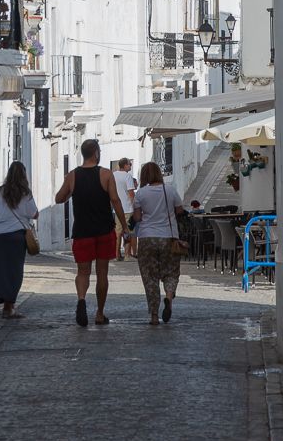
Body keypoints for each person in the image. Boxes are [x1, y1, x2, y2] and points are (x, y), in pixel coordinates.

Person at [55, 139, 130, 326]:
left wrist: (71, 191)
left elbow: (59, 198)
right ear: (96, 153)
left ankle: (81, 300)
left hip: (82, 231)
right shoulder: (105, 174)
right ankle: (99, 313)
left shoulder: (72, 176)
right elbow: (115, 200)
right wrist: (124, 226)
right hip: (104, 230)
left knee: (83, 272)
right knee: (102, 273)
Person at [131, 161, 185, 325]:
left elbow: (137, 217)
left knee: (150, 277)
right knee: (171, 272)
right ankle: (168, 297)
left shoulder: (141, 193)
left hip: (147, 238)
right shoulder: (170, 190)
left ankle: (154, 316)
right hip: (168, 237)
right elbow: (180, 210)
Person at [0, 162, 39, 319]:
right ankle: (9, 307)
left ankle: (6, 306)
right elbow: (34, 214)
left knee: (0, 272)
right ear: (24, 176)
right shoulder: (25, 194)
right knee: (14, 272)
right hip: (15, 238)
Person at [112, 158, 138, 260]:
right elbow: (131, 194)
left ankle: (117, 255)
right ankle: (127, 255)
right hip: (127, 208)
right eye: (129, 164)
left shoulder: (113, 175)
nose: (130, 166)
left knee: (118, 232)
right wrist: (135, 207)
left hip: (117, 208)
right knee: (128, 231)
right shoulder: (128, 176)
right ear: (125, 165)